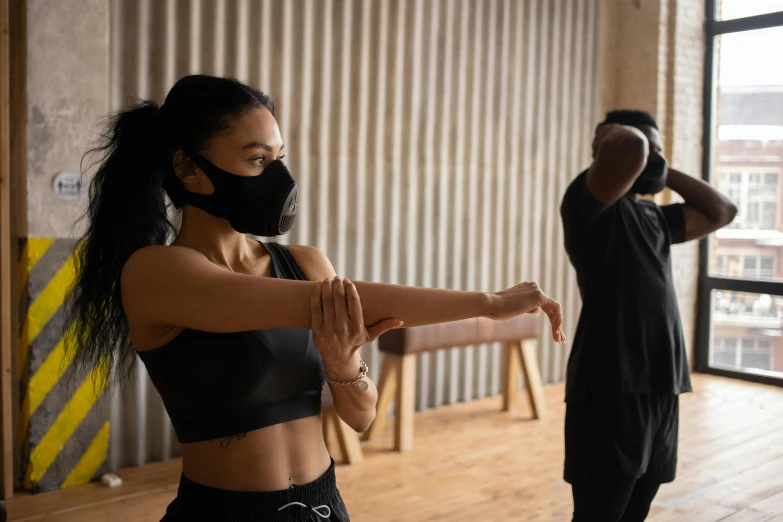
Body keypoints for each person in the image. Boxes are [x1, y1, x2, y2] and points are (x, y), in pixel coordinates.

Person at [64, 74, 565, 522]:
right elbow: (337, 303)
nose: (278, 178)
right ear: (189, 169)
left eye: (278, 158)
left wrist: (343, 362)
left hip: (325, 507)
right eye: (257, 159)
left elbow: (362, 417)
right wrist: (489, 303)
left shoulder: (304, 264)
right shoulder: (157, 271)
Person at [560, 109, 737, 521]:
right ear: (600, 148)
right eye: (643, 148)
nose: (648, 157)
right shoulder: (586, 205)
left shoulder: (655, 217)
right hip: (610, 385)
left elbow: (722, 211)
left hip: (663, 383)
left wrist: (663, 167)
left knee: (636, 510)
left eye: (656, 151)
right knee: (599, 512)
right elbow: (629, 148)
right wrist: (629, 144)